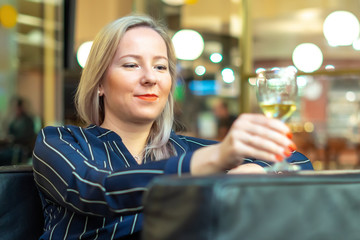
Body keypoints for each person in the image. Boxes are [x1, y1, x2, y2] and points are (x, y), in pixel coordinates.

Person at [32, 15, 313, 240]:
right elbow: (95, 190)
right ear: (100, 83)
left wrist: (259, 170)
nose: (150, 78)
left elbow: (298, 163)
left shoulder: (184, 149)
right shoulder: (60, 141)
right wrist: (212, 168)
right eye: (131, 65)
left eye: (160, 67)